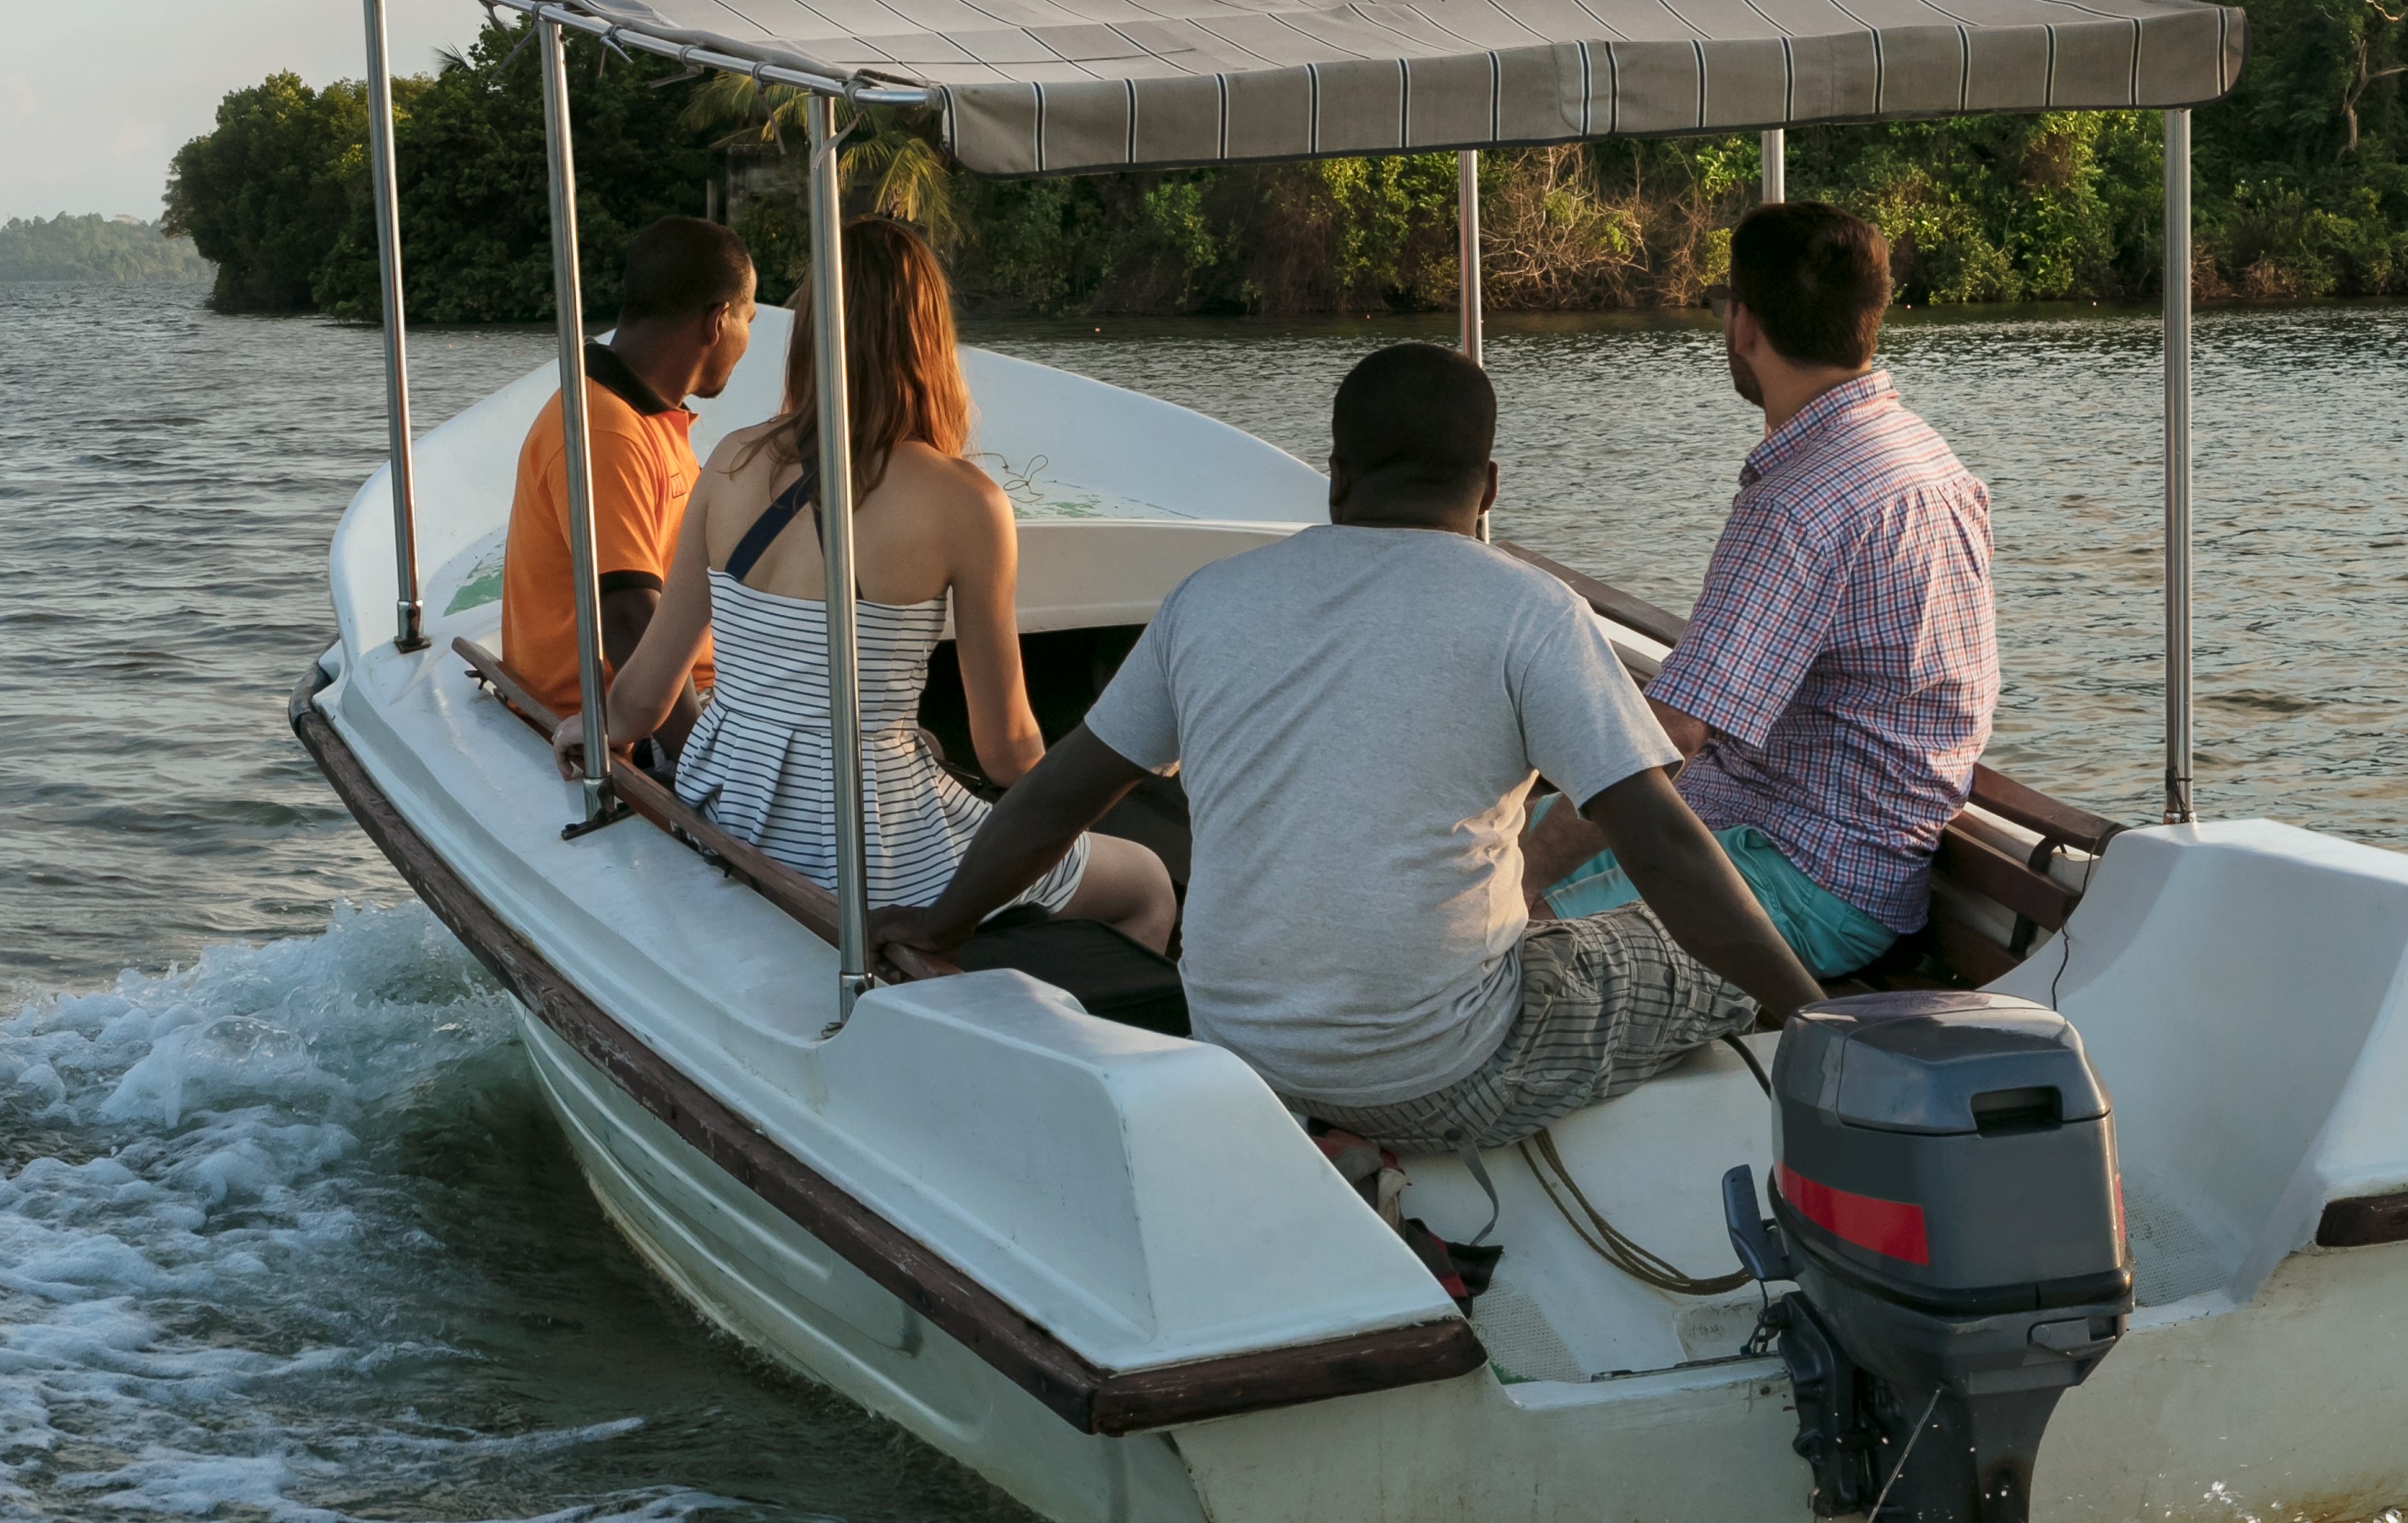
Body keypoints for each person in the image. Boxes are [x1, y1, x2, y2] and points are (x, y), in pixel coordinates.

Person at [872, 342, 1820, 1151]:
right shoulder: (1530, 612)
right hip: (1440, 1080)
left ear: (1334, 477)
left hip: (1241, 1057)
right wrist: (1820, 1015)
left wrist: (943, 922)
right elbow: (1662, 844)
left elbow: (1053, 798)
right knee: (1682, 957)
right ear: (1488, 490)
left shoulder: (1207, 603)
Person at [560, 220, 1179, 954]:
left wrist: (581, 729)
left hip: (728, 808)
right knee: (1146, 882)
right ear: (927, 338)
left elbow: (640, 699)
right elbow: (1006, 751)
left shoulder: (728, 461)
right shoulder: (965, 502)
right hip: (871, 848)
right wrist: (1123, 772)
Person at [1523, 200, 1995, 979]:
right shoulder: (1925, 454)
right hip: (1848, 850)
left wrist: (1531, 873)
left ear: (1744, 324)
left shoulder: (1798, 503)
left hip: (1804, 872)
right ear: (1867, 319)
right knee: (1466, 854)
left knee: (1491, 927)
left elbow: (1670, 737)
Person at [497, 216, 758, 721]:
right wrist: (702, 774)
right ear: (718, 320)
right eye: (749, 320)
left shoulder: (643, 415)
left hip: (702, 691)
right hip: (632, 718)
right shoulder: (604, 430)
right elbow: (626, 618)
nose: (746, 340)